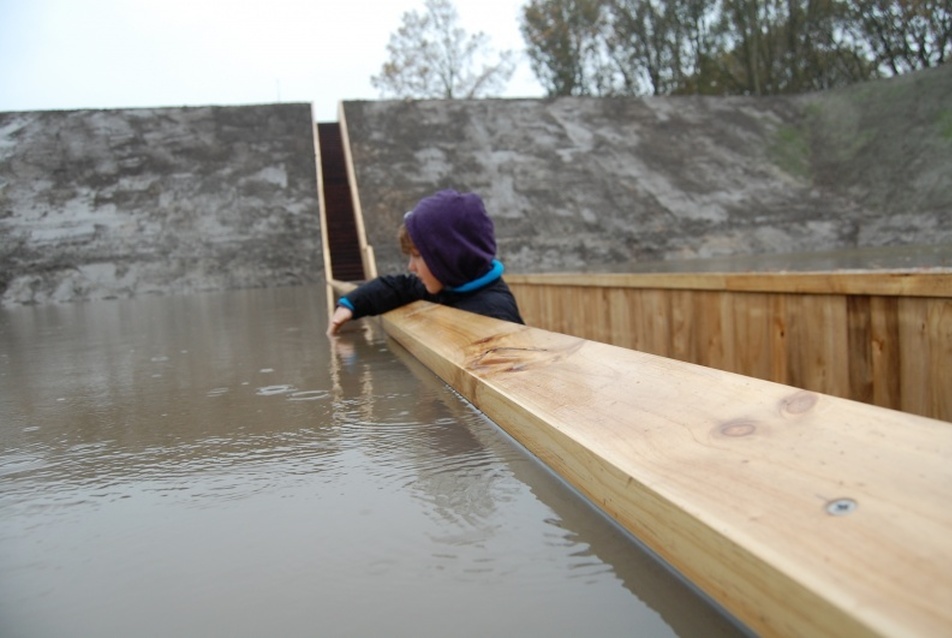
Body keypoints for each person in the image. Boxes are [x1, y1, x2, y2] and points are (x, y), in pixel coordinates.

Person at [327, 189, 524, 335]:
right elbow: (398, 287)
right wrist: (350, 304)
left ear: (448, 257)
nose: (411, 266)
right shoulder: (448, 287)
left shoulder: (495, 315)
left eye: (418, 256)